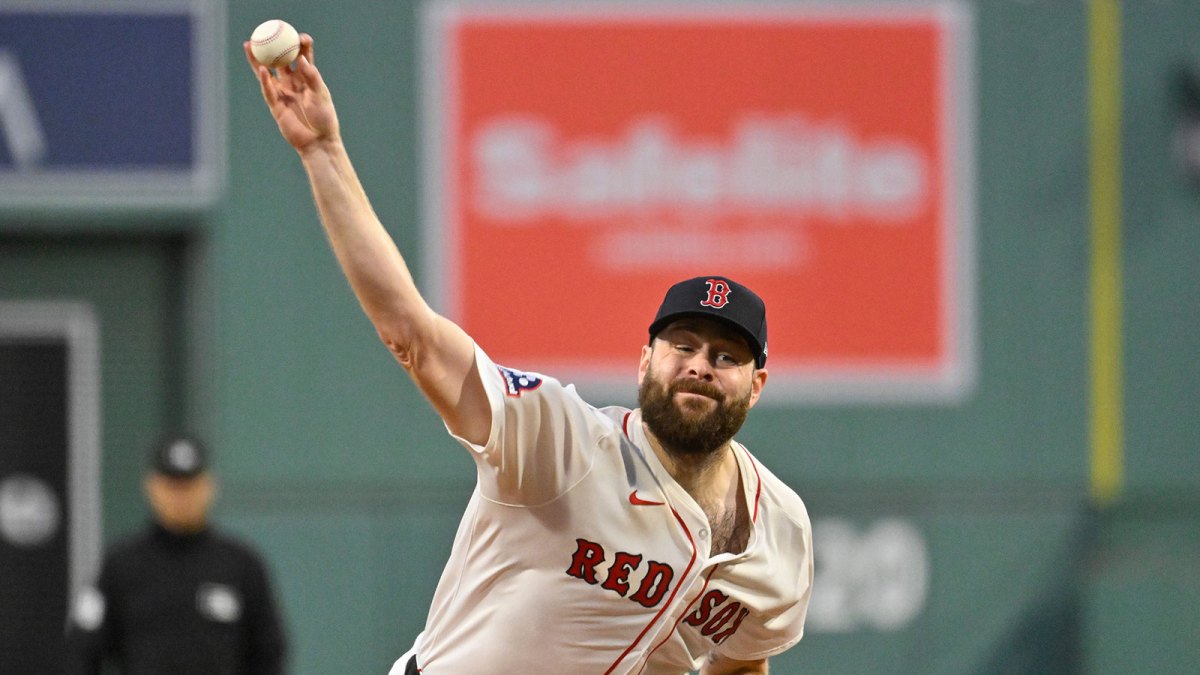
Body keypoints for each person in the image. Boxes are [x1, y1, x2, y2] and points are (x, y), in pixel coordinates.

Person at [245, 34, 812, 675]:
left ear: (757, 384)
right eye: (681, 345)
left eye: (726, 356)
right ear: (644, 360)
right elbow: (412, 335)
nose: (700, 364)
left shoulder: (781, 530)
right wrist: (322, 150)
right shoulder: (563, 445)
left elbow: (742, 663)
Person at [65, 436, 287, 675]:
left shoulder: (241, 565)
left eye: (190, 485)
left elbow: (269, 650)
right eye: (172, 486)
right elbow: (82, 648)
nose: (181, 497)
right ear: (152, 487)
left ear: (209, 487)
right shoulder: (120, 565)